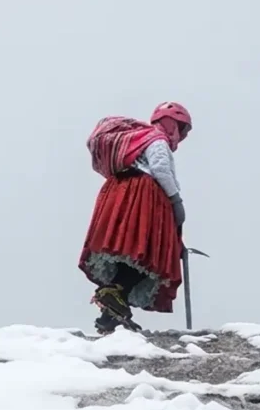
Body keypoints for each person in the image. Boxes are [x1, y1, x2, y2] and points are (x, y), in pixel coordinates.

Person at [79, 102, 192, 335]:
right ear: (172, 123)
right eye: (181, 129)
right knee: (145, 253)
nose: (181, 136)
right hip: (144, 196)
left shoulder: (137, 141)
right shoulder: (156, 139)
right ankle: (113, 297)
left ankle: (109, 317)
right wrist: (175, 200)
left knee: (125, 255)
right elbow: (160, 168)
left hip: (118, 194)